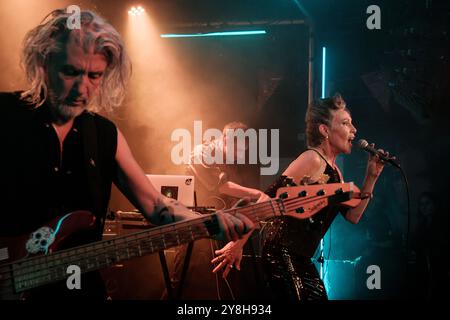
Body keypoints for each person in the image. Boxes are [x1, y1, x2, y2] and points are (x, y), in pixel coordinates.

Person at [0, 8, 253, 299]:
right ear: (44, 62)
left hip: (78, 289)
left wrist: (209, 224)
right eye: (70, 71)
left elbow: (157, 206)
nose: (83, 87)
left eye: (94, 75)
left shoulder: (104, 135)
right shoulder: (6, 116)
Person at [212, 94, 387, 300]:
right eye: (345, 123)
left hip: (302, 258)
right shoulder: (312, 159)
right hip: (282, 254)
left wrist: (371, 176)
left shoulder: (336, 173)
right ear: (325, 130)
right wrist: (237, 244)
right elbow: (266, 200)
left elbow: (353, 216)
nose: (354, 130)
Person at [163, 121, 269, 299]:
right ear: (225, 140)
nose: (239, 156)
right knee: (185, 282)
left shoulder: (236, 162)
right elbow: (220, 186)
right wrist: (257, 193)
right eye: (238, 150)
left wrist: (238, 242)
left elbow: (243, 204)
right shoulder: (201, 152)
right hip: (196, 228)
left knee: (223, 288)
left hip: (223, 231)